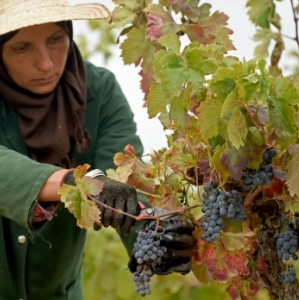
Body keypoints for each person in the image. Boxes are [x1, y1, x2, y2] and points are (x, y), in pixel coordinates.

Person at [0, 0, 196, 299]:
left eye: (55, 39)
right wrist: (76, 183)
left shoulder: (99, 90)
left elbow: (125, 181)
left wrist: (152, 232)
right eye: (22, 48)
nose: (46, 63)